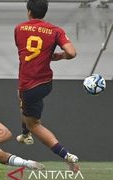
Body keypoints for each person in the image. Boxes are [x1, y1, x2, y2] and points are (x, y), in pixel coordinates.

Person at [14, 0, 79, 171]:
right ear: (45, 12)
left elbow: (26, 51)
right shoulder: (55, 30)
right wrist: (59, 56)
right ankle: (25, 134)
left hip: (28, 84)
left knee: (34, 123)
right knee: (26, 102)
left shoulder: (19, 29)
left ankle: (66, 155)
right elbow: (71, 52)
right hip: (45, 83)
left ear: (29, 11)